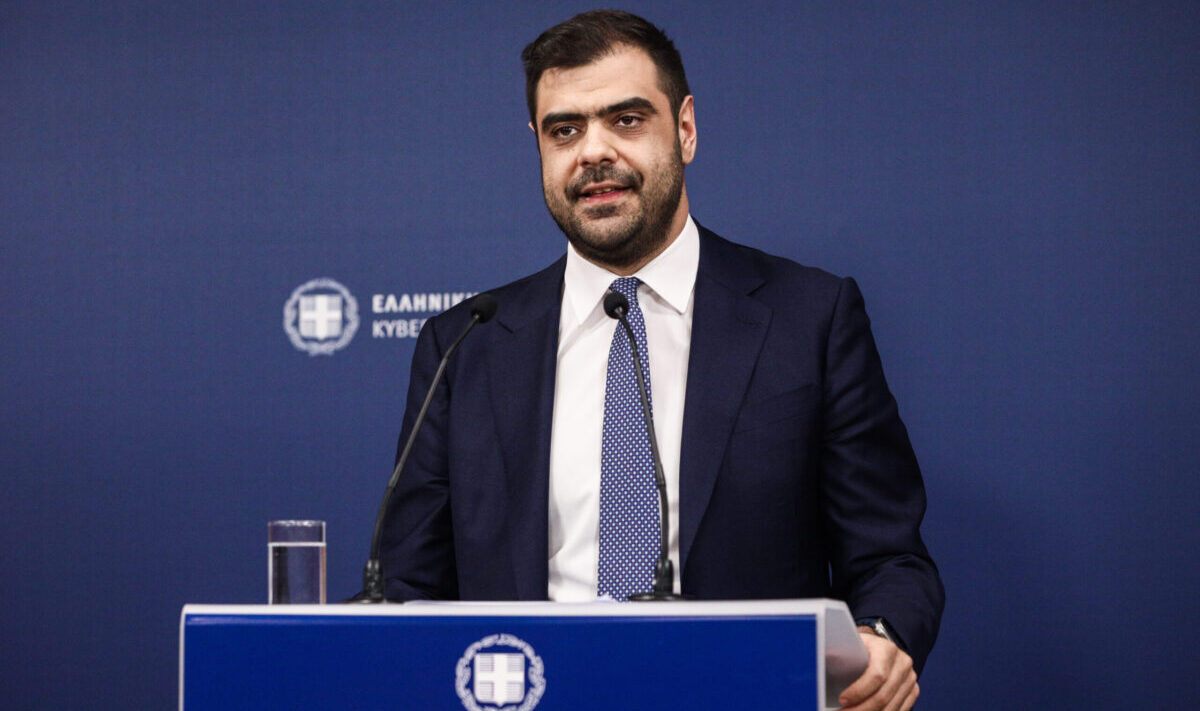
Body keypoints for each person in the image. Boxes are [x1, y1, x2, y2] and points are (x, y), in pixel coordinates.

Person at [380, 10, 943, 710]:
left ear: (685, 129)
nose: (593, 152)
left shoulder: (810, 319)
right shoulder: (467, 343)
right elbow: (406, 586)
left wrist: (881, 635)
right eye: (564, 130)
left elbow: (891, 558)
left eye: (625, 120)